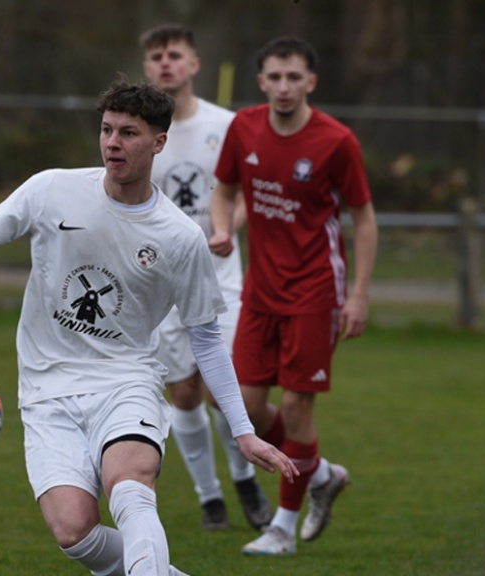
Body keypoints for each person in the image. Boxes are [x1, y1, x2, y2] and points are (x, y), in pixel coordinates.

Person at [0, 78, 297, 576]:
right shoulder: (52, 189)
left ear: (159, 142)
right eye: (107, 129)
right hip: (47, 389)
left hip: (125, 381)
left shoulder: (180, 238)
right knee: (74, 532)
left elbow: (205, 337)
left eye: (129, 133)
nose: (113, 142)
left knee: (131, 490)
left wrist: (242, 431)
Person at [209, 36, 378, 556]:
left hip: (315, 293)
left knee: (300, 412)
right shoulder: (245, 126)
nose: (284, 86)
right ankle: (321, 473)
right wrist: (221, 230)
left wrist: (359, 296)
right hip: (260, 290)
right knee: (240, 405)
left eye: (294, 77)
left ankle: (283, 528)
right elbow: (225, 189)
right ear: (261, 82)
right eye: (274, 77)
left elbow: (364, 219)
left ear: (311, 82)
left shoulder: (336, 141)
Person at [139, 23, 271, 532]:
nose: (165, 63)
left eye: (175, 55)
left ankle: (244, 479)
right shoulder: (137, 129)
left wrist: (224, 228)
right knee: (186, 395)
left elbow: (241, 194)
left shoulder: (228, 125)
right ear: (147, 67)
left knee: (224, 387)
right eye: (156, 56)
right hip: (161, 283)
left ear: (194, 65)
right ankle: (209, 497)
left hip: (221, 276)